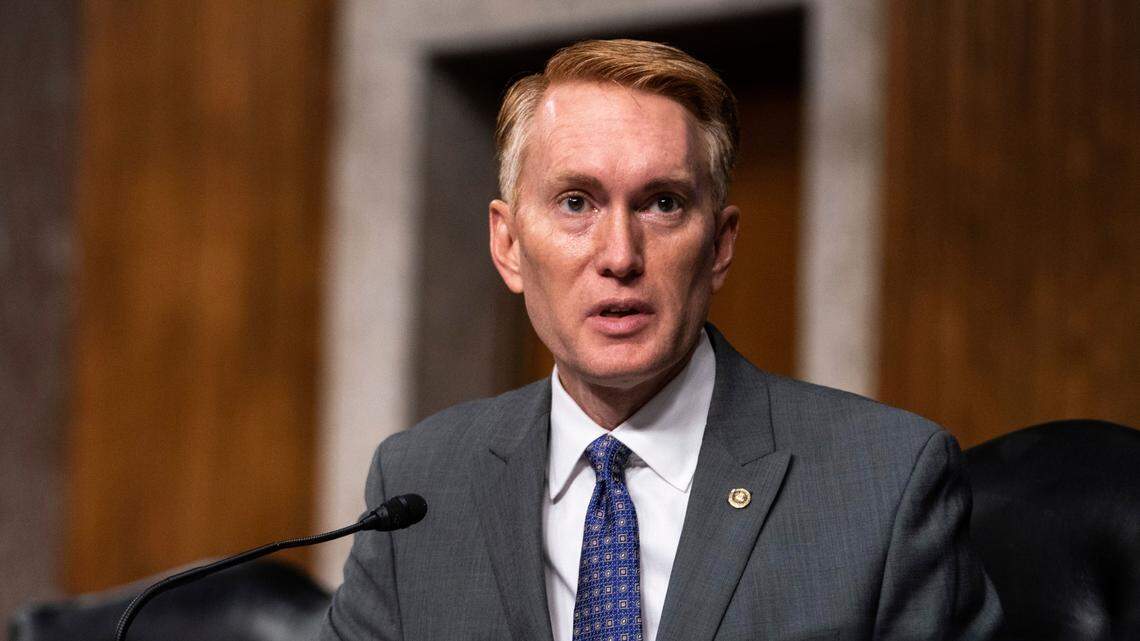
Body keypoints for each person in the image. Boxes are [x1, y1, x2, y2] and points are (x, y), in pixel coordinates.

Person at [317, 39, 1002, 641]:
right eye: (576, 202)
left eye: (663, 203)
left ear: (721, 245)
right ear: (508, 244)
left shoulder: (884, 483)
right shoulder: (420, 486)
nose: (620, 254)